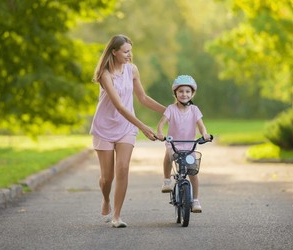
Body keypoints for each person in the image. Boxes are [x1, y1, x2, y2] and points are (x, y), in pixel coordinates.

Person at [90, 34, 165, 228]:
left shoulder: (132, 70)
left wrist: (170, 111)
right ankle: (105, 198)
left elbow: (143, 98)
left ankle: (117, 216)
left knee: (122, 168)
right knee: (107, 178)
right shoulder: (104, 74)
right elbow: (120, 107)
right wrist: (144, 127)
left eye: (131, 51)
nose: (129, 55)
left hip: (126, 128)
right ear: (113, 52)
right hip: (104, 127)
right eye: (125, 51)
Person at [156, 75, 211, 213]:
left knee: (193, 171)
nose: (184, 94)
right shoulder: (171, 109)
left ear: (192, 93)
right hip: (173, 143)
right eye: (181, 91)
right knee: (169, 155)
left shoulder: (194, 110)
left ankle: (196, 200)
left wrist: (204, 134)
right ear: (175, 93)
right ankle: (167, 180)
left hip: (189, 145)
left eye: (187, 91)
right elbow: (161, 123)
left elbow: (201, 126)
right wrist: (160, 133)